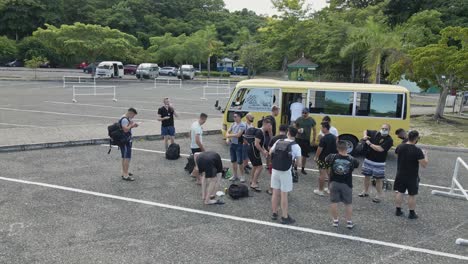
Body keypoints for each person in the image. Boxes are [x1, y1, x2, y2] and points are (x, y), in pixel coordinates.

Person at [270, 126, 302, 225]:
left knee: (275, 192)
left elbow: (271, 152)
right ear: (296, 134)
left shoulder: (279, 141)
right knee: (284, 194)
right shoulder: (296, 146)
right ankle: (285, 216)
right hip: (285, 171)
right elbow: (299, 163)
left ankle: (274, 213)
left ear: (288, 132)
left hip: (275, 169)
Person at [394, 130, 428, 219]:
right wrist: (425, 155)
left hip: (400, 173)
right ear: (416, 138)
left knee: (399, 192)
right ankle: (412, 213)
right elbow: (424, 164)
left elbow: (397, 154)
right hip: (412, 176)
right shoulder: (417, 150)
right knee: (411, 194)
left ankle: (398, 210)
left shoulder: (400, 146)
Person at [326, 141, 360, 229]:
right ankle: (349, 222)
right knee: (348, 203)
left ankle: (335, 221)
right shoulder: (352, 159)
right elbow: (356, 165)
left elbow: (326, 161)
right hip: (347, 184)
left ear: (337, 148)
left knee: (334, 202)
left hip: (334, 182)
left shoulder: (331, 156)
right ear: (347, 148)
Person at [358, 124, 394, 203]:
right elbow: (366, 130)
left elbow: (380, 149)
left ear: (389, 130)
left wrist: (369, 143)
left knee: (378, 179)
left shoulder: (389, 140)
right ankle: (365, 191)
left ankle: (378, 195)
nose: (384, 130)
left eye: (386, 129)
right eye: (383, 128)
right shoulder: (375, 133)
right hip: (368, 159)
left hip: (379, 162)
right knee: (366, 176)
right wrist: (365, 136)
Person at [246, 118, 271, 192]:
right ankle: (254, 183)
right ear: (265, 124)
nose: (270, 127)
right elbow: (257, 144)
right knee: (260, 167)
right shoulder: (260, 132)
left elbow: (260, 143)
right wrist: (263, 152)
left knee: (255, 166)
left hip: (252, 150)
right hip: (253, 151)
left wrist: (264, 150)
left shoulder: (262, 132)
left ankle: (252, 180)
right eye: (269, 125)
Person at [314, 122, 337, 196]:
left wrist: (316, 157)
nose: (321, 129)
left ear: (325, 128)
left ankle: (320, 190)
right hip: (332, 158)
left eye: (322, 128)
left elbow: (319, 149)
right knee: (330, 174)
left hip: (323, 159)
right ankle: (329, 189)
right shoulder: (334, 137)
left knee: (322, 175)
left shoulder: (323, 138)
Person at [266, 124, 289, 195]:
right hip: (285, 161)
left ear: (279, 129)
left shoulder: (274, 138)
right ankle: (284, 191)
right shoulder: (288, 139)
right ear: (286, 130)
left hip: (274, 160)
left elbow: (269, 149)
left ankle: (271, 190)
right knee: (284, 176)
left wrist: (269, 161)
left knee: (273, 176)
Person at [225, 112, 247, 182]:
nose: (234, 118)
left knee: (240, 162)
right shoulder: (233, 124)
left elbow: (238, 135)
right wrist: (228, 138)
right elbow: (227, 132)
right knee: (233, 161)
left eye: (235, 116)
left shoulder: (242, 125)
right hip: (232, 144)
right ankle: (235, 175)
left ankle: (242, 176)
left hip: (239, 145)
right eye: (233, 116)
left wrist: (229, 136)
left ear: (240, 117)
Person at [295, 108, 317, 175]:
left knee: (304, 155)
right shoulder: (299, 119)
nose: (304, 114)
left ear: (308, 113)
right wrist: (297, 130)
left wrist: (313, 139)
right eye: (303, 113)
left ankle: (303, 168)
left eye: (305, 113)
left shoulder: (311, 120)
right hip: (298, 138)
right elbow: (294, 126)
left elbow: (314, 130)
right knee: (296, 154)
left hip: (306, 139)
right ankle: (295, 167)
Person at [120, 108, 139, 181]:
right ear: (130, 113)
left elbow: (129, 126)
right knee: (127, 158)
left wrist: (133, 125)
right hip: (125, 141)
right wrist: (131, 125)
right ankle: (125, 175)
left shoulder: (126, 118)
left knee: (124, 157)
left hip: (125, 140)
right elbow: (125, 129)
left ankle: (124, 172)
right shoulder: (124, 119)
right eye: (133, 115)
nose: (133, 117)